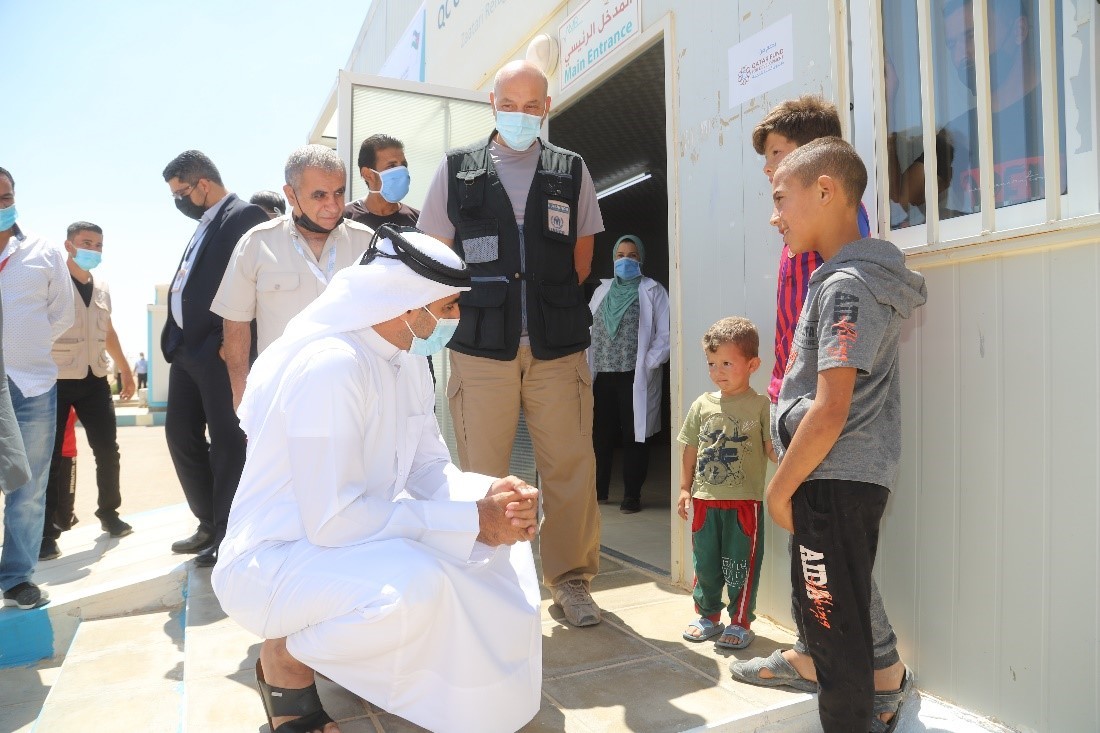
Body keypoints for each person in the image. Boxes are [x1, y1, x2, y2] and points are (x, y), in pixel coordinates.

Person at [212, 228, 542, 733]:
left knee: (502, 551)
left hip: (343, 543)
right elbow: (334, 520)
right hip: (276, 560)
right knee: (415, 585)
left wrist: (493, 499)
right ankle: (288, 661)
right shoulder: (332, 367)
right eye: (448, 306)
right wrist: (470, 521)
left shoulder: (407, 361)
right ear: (409, 305)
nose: (455, 319)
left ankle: (455, 699)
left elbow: (428, 468)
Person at [417, 59, 605, 627]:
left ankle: (571, 581)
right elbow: (436, 254)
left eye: (533, 105)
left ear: (546, 107)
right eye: (511, 104)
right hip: (480, 349)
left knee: (570, 467)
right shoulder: (457, 170)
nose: (522, 115)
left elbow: (581, 254)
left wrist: (545, 305)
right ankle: (485, 579)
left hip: (557, 349)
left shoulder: (571, 170)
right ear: (492, 105)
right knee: (480, 472)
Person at [734, 95, 897, 701]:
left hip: (824, 437)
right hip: (799, 413)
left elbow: (833, 379)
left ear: (821, 177)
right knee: (829, 558)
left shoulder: (838, 260)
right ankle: (862, 667)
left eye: (780, 165)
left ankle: (838, 666)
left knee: (828, 563)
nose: (772, 186)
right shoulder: (805, 243)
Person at [764, 137, 925, 732]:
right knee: (844, 618)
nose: (774, 214)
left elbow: (831, 410)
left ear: (826, 191)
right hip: (840, 481)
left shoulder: (846, 287)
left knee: (832, 636)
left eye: (782, 197)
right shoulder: (847, 278)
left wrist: (780, 490)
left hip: (830, 482)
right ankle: (879, 701)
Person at [161, 150, 269, 568]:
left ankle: (228, 533)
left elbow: (257, 286)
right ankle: (208, 521)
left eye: (181, 192)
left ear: (203, 184)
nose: (179, 202)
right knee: (179, 435)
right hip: (187, 352)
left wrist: (232, 343)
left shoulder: (245, 217)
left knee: (228, 442)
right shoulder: (204, 225)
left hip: (218, 351)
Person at [212, 145, 375, 410]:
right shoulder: (256, 244)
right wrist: (242, 398)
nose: (333, 206)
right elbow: (235, 326)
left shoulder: (367, 243)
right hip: (281, 400)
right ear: (290, 194)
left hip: (356, 397)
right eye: (319, 195)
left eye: (339, 192)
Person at [887, 0, 1062, 221]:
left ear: (1019, 30)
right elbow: (896, 204)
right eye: (952, 45)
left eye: (971, 36)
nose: (961, 55)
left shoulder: (1070, 116)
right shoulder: (958, 136)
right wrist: (887, 101)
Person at [676, 317, 776, 650]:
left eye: (727, 363)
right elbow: (690, 447)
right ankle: (708, 616)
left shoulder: (761, 405)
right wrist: (684, 488)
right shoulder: (701, 405)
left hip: (744, 503)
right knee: (705, 562)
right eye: (712, 363)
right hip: (705, 499)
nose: (718, 370)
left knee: (741, 565)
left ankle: (740, 621)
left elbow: (770, 449)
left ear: (752, 365)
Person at [0, 165, 74, 610]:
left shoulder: (42, 251)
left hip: (30, 388)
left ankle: (16, 577)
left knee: (28, 488)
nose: (0, 205)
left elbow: (62, 312)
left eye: (5, 196)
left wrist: (23, 348)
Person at [40, 222, 136, 561]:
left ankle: (109, 514)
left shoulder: (103, 287)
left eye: (98, 244)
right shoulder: (51, 282)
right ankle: (47, 533)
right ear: (68, 245)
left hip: (95, 379)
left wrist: (125, 368)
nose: (93, 249)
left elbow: (108, 329)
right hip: (57, 379)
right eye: (86, 243)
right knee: (50, 458)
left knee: (108, 450)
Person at [587, 234, 669, 513]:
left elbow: (665, 334)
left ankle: (632, 495)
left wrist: (649, 361)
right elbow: (590, 328)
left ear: (641, 259)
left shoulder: (653, 290)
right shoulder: (602, 290)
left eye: (632, 255)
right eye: (620, 255)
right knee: (600, 435)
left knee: (636, 436)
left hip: (635, 374)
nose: (625, 261)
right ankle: (598, 491)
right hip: (603, 373)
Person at [343, 134, 420, 229]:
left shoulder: (419, 221)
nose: (402, 172)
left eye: (403, 165)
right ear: (368, 174)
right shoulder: (344, 219)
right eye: (392, 166)